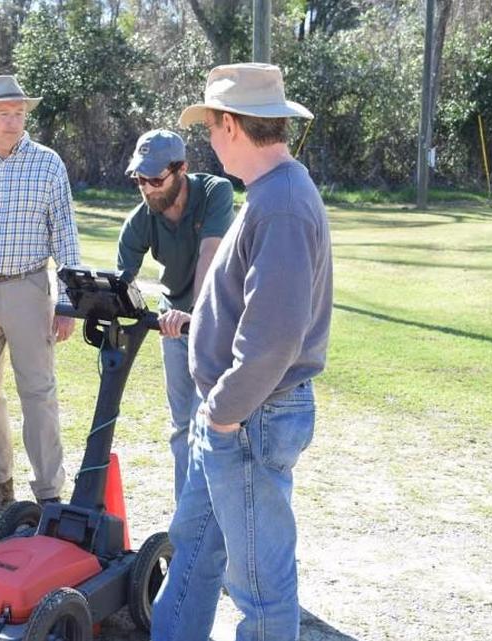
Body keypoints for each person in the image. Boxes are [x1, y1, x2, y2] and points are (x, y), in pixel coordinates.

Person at [150, 63, 333, 641]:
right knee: (194, 551)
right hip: (235, 415)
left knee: (260, 588)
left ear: (230, 124)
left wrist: (224, 415)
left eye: (209, 126)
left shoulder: (280, 202)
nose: (208, 139)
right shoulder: (271, 192)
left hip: (250, 416)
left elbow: (273, 336)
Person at [0, 75, 82, 517]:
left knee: (38, 392)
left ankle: (48, 494)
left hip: (28, 287)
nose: (13, 121)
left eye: (19, 113)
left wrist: (65, 302)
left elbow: (65, 236)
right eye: (4, 113)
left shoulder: (48, 164)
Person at [116, 129, 234, 501]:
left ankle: (214, 507)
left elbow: (210, 257)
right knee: (182, 424)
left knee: (211, 421)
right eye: (140, 179)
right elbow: (122, 283)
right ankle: (187, 509)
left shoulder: (214, 192)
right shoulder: (140, 221)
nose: (147, 188)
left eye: (155, 179)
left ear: (182, 169)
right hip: (173, 324)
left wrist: (194, 317)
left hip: (215, 320)